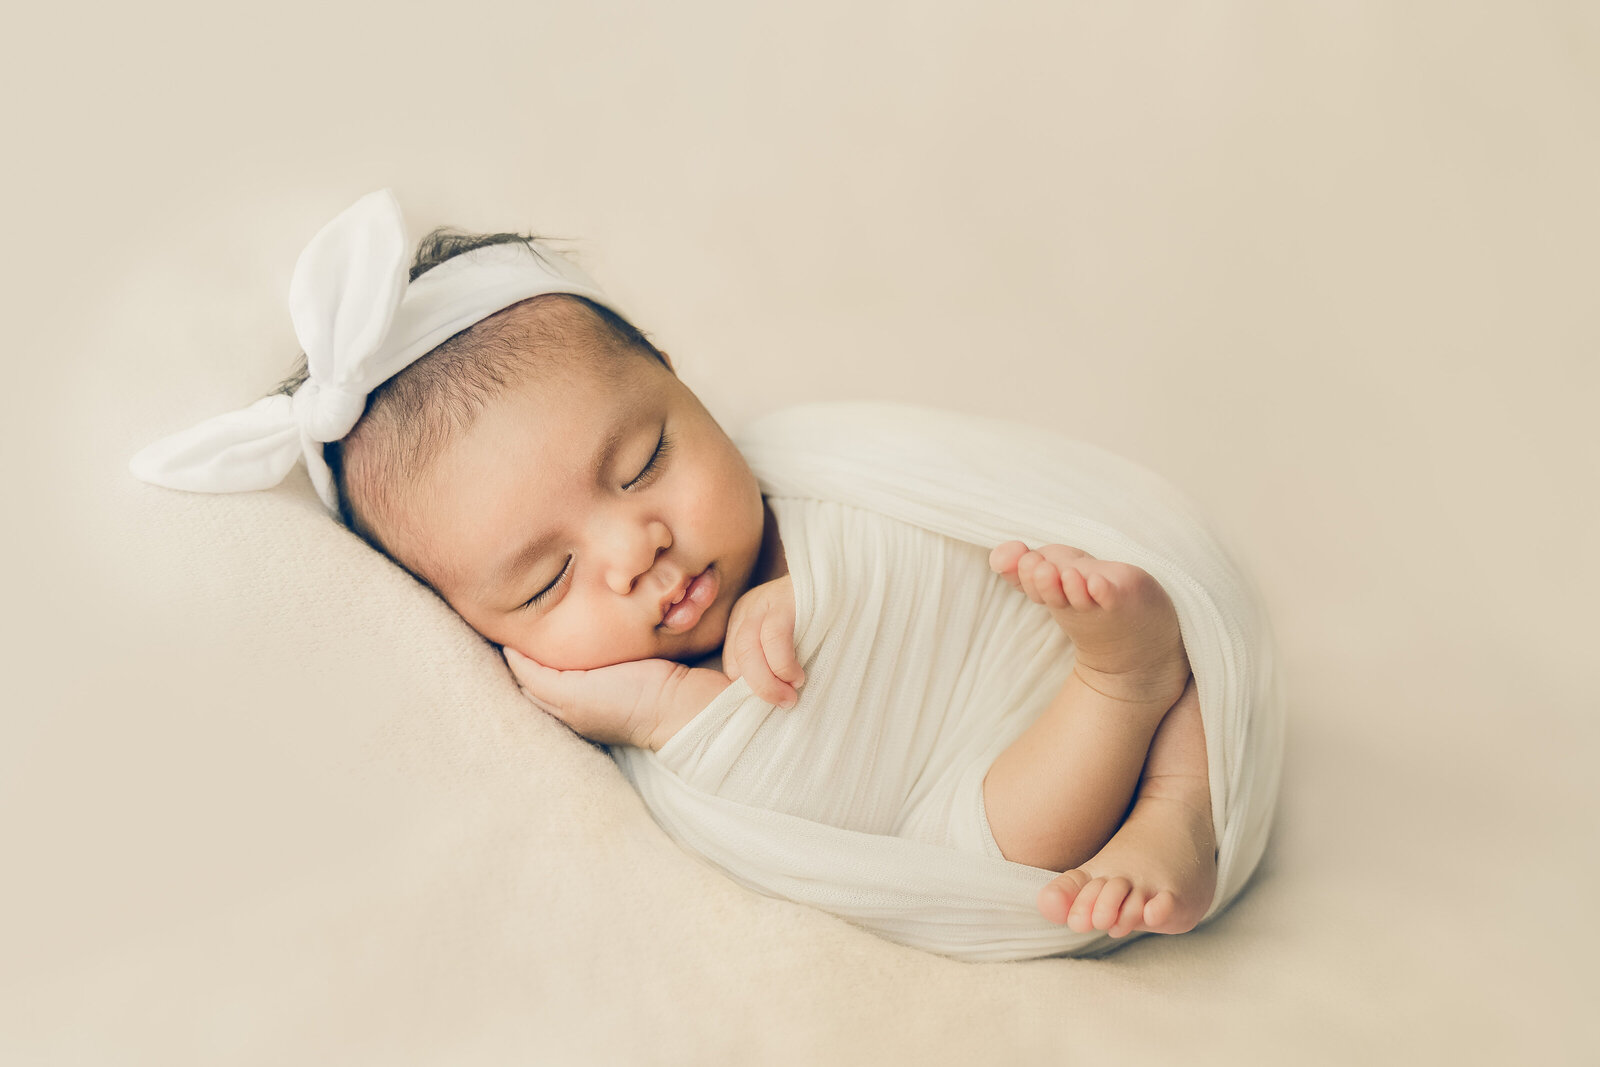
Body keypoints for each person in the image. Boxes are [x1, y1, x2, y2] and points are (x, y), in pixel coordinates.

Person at [131, 189, 1221, 944]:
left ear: (678, 378)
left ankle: (1175, 779)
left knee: (1122, 596)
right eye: (545, 584)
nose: (633, 550)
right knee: (991, 838)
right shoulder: (600, 692)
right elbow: (807, 801)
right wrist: (666, 706)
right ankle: (1124, 693)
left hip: (1024, 631)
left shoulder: (814, 468)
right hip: (975, 796)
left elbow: (945, 524)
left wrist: (819, 587)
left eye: (645, 459)